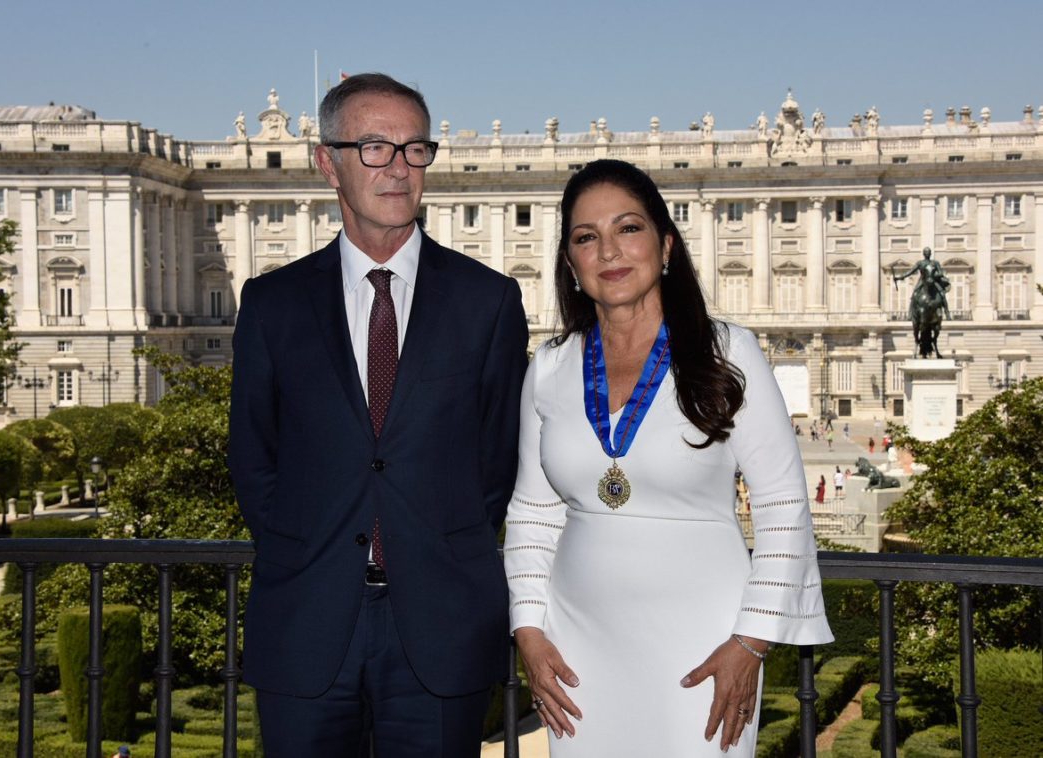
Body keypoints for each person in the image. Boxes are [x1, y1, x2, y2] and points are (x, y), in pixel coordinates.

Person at [228, 73, 529, 756]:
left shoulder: (488, 302)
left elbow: (497, 463)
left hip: (441, 628)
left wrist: (435, 551)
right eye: (373, 147)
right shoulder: (272, 303)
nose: (397, 167)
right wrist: (307, 551)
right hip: (307, 621)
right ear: (326, 161)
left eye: (413, 149)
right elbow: (254, 457)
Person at [503, 160, 832, 757]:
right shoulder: (548, 367)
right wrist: (529, 628)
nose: (608, 250)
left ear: (667, 246)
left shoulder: (729, 352)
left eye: (628, 228)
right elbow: (531, 513)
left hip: (705, 648)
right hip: (578, 650)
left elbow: (783, 503)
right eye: (586, 237)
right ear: (571, 264)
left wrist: (751, 642)